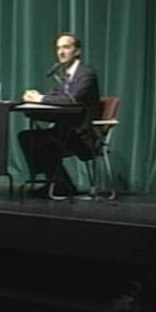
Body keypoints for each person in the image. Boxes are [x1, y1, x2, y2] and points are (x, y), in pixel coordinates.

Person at [18, 32, 102, 197]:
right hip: (65, 130)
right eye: (58, 48)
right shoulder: (64, 77)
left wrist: (41, 98)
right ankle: (54, 182)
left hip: (82, 135)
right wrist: (33, 98)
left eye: (66, 47)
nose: (61, 52)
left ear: (77, 51)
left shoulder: (86, 74)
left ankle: (61, 185)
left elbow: (72, 99)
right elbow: (55, 97)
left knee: (45, 141)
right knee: (27, 137)